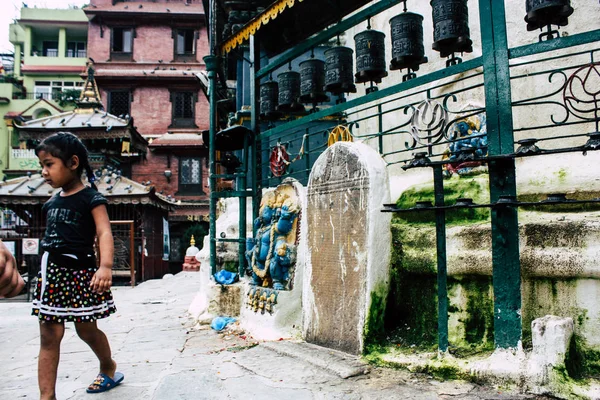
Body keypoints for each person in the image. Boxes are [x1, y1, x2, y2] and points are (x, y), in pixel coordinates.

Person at [32, 132, 123, 399]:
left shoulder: (91, 199)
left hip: (82, 273)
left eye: (49, 164)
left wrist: (105, 267)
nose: (44, 172)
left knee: (86, 329)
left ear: (73, 163)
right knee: (50, 334)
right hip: (52, 273)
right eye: (42, 166)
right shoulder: (50, 203)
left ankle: (108, 365)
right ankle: (46, 396)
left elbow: (104, 233)